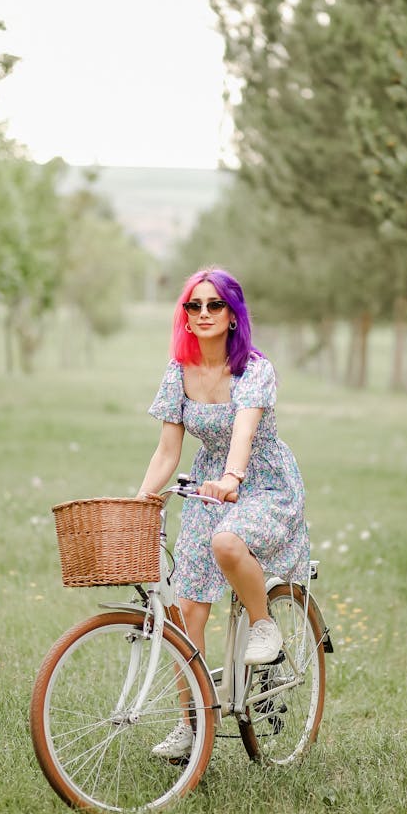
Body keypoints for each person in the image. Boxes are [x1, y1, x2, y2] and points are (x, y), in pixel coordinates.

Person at [138, 266, 310, 759]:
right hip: (208, 486)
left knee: (227, 543)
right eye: (195, 306)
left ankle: (265, 627)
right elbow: (167, 453)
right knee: (185, 610)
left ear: (233, 316)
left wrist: (233, 480)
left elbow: (244, 435)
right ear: (185, 317)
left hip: (262, 482)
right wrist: (140, 503)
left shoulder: (254, 369)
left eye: (216, 305)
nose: (205, 313)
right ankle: (189, 723)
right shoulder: (178, 372)